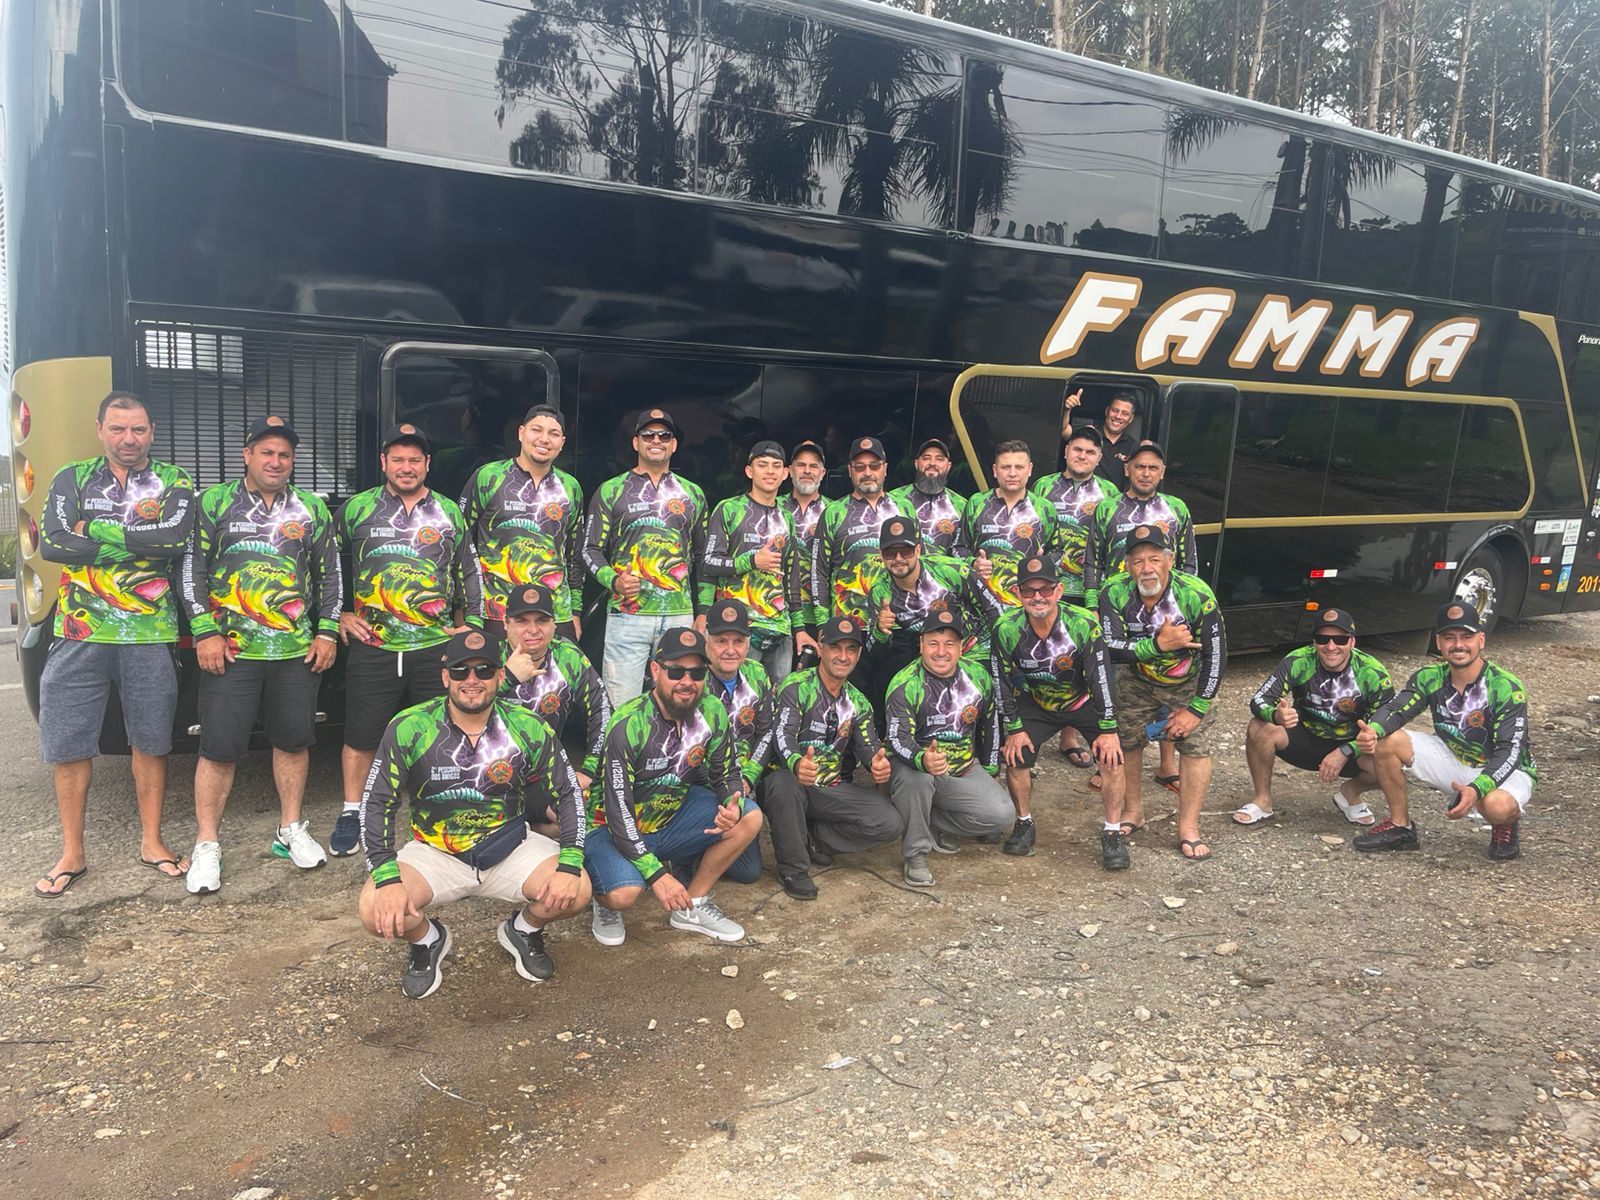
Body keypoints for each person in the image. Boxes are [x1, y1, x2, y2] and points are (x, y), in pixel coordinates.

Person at [356, 629, 591, 999]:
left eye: (484, 670)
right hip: (435, 852)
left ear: (501, 676)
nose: (472, 680)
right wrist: (387, 878)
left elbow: (568, 792)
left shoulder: (528, 725)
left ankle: (525, 929)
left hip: (510, 846)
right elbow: (378, 803)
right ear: (445, 676)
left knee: (576, 889)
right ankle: (428, 940)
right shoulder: (409, 726)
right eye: (461, 670)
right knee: (374, 908)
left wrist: (569, 863)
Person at [33, 391, 196, 897]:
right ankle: (72, 853)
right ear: (100, 428)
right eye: (119, 429)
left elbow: (172, 541)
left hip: (150, 634)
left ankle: (152, 842)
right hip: (80, 631)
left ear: (152, 431)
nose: (130, 439)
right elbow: (54, 543)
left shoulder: (175, 481)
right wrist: (135, 537)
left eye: (140, 429)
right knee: (69, 742)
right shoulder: (71, 477)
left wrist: (95, 528)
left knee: (150, 739)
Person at [181, 416, 341, 894]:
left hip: (295, 651)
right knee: (219, 748)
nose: (276, 461)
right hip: (231, 652)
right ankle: (207, 844)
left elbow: (330, 576)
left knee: (294, 742)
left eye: (285, 454)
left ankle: (290, 829)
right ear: (247, 454)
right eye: (266, 452)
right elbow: (192, 570)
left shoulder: (311, 507)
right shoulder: (214, 502)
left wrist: (327, 632)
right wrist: (204, 631)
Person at [331, 422, 481, 857]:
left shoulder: (449, 512)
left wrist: (470, 623)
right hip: (374, 646)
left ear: (427, 464)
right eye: (397, 458)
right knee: (361, 736)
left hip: (433, 645)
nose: (406, 466)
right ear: (383, 463)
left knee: (440, 733)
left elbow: (468, 570)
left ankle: (440, 808)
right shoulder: (357, 510)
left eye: (415, 459)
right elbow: (326, 563)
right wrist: (338, 612)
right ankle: (351, 811)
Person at [584, 627, 763, 945]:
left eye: (696, 672)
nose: (686, 681)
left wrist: (730, 803)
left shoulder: (712, 710)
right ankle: (603, 902)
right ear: (655, 670)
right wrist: (657, 875)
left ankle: (692, 905)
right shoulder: (628, 724)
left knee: (750, 816)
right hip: (612, 828)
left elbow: (726, 773)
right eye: (676, 671)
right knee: (625, 895)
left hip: (671, 815)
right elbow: (617, 810)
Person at [1352, 601, 1535, 860]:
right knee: (1386, 740)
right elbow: (1399, 708)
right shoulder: (1429, 677)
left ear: (1481, 640)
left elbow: (1510, 750)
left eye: (1466, 637)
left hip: (1505, 768)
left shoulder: (1505, 686)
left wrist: (1477, 788)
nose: (1458, 645)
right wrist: (1373, 730)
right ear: (1439, 642)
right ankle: (1400, 826)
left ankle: (1504, 824)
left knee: (1496, 807)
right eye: (1449, 637)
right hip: (1454, 756)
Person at [1099, 526, 1225, 862]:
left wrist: (1196, 710)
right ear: (1127, 565)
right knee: (1127, 742)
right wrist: (1155, 645)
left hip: (1188, 680)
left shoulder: (1196, 594)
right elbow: (1109, 648)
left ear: (1169, 560)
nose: (1147, 568)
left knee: (1195, 747)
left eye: (1155, 559)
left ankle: (1188, 827)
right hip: (1135, 677)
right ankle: (1134, 810)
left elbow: (1217, 655)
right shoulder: (1113, 592)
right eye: (1138, 561)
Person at [993, 557, 1127, 868]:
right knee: (1016, 756)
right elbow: (1000, 680)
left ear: (1060, 590)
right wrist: (1014, 728)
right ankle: (1024, 821)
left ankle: (1112, 831)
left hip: (1084, 701)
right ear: (1017, 593)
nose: (1038, 596)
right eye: (1028, 590)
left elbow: (1101, 677)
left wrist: (1108, 729)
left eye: (1046, 589)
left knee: (1112, 757)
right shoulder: (1006, 628)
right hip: (1038, 703)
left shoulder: (1083, 624)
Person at [1084, 441, 1197, 793]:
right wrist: (1092, 605)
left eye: (1153, 468)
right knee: (1120, 685)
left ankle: (1166, 765)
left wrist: (1187, 603)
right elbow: (1092, 560)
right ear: (1127, 470)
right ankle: (1112, 762)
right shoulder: (1107, 509)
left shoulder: (1177, 508)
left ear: (1161, 473)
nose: (1146, 473)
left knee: (1166, 682)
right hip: (1119, 609)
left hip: (1168, 613)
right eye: (1140, 467)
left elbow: (1190, 560)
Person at [582, 408, 709, 706]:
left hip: (679, 614)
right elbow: (589, 550)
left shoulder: (693, 493)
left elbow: (704, 557)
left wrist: (703, 611)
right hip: (628, 616)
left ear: (674, 444)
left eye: (665, 435)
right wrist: (613, 581)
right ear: (635, 442)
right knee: (621, 705)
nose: (657, 440)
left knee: (678, 702)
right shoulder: (611, 490)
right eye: (648, 435)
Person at [767, 615, 898, 898]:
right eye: (835, 647)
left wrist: (878, 764)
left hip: (829, 789)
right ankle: (793, 868)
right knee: (781, 783)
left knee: (889, 821)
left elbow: (868, 747)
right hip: (791, 783)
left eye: (851, 649)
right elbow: (782, 735)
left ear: (859, 653)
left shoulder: (859, 701)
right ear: (822, 648)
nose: (843, 656)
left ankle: (817, 839)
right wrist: (796, 762)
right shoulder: (795, 686)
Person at [885, 608, 1015, 886]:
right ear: (920, 645)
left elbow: (991, 724)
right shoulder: (903, 684)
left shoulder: (978, 676)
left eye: (949, 644)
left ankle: (933, 820)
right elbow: (897, 740)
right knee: (915, 781)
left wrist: (991, 769)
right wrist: (922, 759)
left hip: (964, 768)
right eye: (933, 643)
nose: (941, 651)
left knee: (1002, 815)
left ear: (961, 646)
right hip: (916, 770)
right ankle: (916, 852)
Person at [1239, 608, 1391, 827]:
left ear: (1352, 642)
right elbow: (1259, 700)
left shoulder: (1372, 672)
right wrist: (1276, 715)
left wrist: (1347, 750)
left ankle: (1351, 793)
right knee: (1259, 726)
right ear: (1314, 642)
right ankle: (1262, 800)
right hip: (1305, 738)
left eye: (1340, 639)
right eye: (1323, 639)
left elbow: (1385, 723)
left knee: (1392, 752)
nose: (1331, 647)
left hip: (1351, 746)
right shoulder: (1297, 660)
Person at [1032, 425, 1121, 763]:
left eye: (1090, 452)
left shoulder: (1109, 492)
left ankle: (1070, 737)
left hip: (1087, 592)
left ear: (1099, 458)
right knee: (1042, 656)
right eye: (1077, 449)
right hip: (1046, 590)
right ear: (1067, 451)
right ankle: (1033, 730)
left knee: (1082, 663)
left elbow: (1112, 547)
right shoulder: (1043, 485)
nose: (1082, 456)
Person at [459, 404, 584, 638]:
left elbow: (574, 555)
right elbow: (461, 545)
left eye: (553, 434)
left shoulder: (570, 487)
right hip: (496, 612)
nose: (544, 439)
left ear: (562, 442)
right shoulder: (489, 477)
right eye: (536, 430)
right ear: (520, 433)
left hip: (556, 613)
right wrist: (463, 610)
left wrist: (575, 611)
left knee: (556, 675)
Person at [500, 583, 611, 827]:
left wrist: (589, 770)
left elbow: (601, 709)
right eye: (521, 621)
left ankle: (537, 828)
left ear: (553, 625)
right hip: (488, 781)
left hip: (543, 778)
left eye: (542, 620)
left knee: (590, 815)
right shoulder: (488, 659)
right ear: (506, 623)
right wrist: (508, 677)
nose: (533, 630)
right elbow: (453, 717)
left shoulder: (566, 655)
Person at [700, 441, 813, 677]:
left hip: (780, 630)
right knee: (740, 703)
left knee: (778, 704)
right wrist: (752, 561)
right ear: (749, 471)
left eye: (776, 466)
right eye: (762, 465)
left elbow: (792, 580)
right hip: (740, 628)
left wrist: (799, 628)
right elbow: (708, 562)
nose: (770, 471)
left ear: (786, 473)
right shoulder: (728, 509)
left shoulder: (787, 518)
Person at [863, 516, 988, 710]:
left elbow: (994, 608)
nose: (898, 559)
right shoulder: (880, 591)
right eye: (890, 553)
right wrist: (880, 629)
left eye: (905, 551)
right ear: (881, 554)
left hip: (974, 649)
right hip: (928, 653)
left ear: (918, 550)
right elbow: (872, 651)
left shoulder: (950, 570)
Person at [699, 600, 777, 887]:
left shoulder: (757, 675)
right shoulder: (691, 679)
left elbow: (767, 731)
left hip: (741, 788)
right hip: (700, 787)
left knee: (748, 872)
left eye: (738, 641)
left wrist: (747, 778)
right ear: (707, 642)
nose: (730, 650)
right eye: (721, 641)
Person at [810, 435, 917, 630]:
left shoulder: (905, 508)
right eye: (860, 467)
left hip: (899, 623)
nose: (867, 472)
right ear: (850, 470)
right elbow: (818, 571)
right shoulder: (834, 512)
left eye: (874, 466)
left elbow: (921, 562)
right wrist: (822, 624)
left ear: (885, 468)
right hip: (849, 627)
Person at [963, 439, 1057, 620]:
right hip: (979, 606)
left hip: (1027, 607)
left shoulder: (1044, 508)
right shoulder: (976, 503)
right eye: (1006, 467)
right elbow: (957, 548)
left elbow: (1058, 551)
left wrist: (1043, 564)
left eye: (1019, 467)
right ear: (994, 470)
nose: (1012, 473)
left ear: (1029, 469)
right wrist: (973, 563)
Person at [779, 439, 829, 657]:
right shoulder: (774, 506)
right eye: (801, 465)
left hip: (819, 618)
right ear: (789, 471)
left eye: (813, 466)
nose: (807, 471)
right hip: (776, 613)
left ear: (823, 472)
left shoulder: (835, 511)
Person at [890, 437, 969, 556]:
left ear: (948, 466)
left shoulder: (962, 505)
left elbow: (963, 550)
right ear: (916, 464)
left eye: (939, 459)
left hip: (945, 573)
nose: (932, 463)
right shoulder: (893, 499)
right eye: (926, 458)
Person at [1094, 392, 1140, 488]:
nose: (1118, 416)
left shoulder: (1133, 447)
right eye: (1115, 410)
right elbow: (1064, 431)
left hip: (1116, 502)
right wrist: (1067, 410)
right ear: (1107, 411)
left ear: (1131, 418)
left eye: (1125, 413)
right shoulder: (1090, 435)